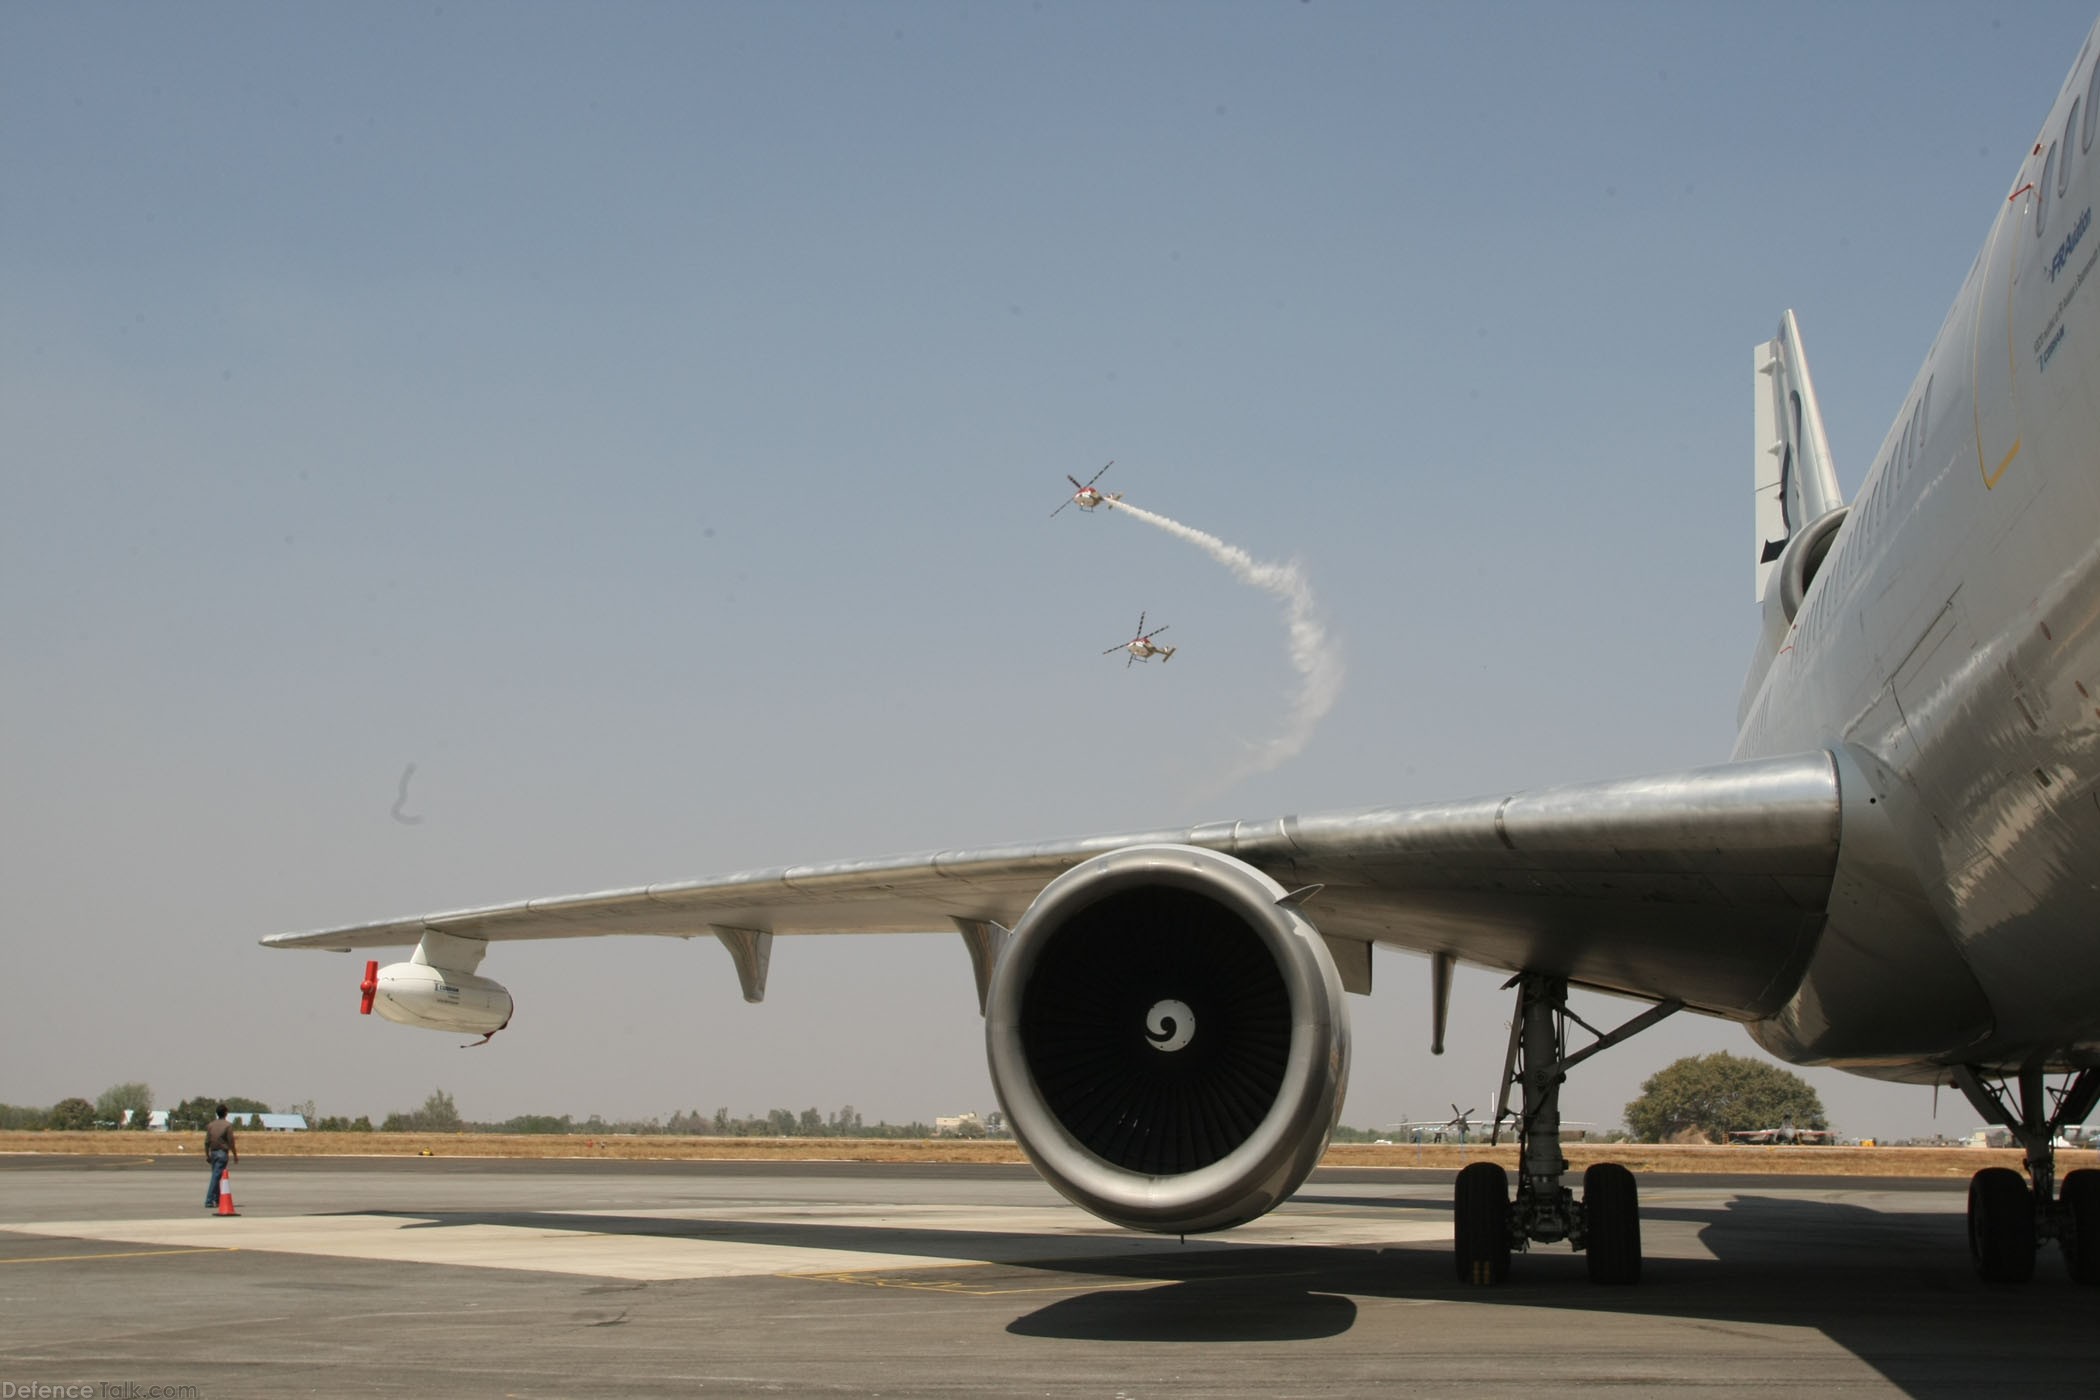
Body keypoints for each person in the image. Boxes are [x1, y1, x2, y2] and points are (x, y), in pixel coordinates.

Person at [204, 1105, 239, 1210]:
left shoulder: (211, 1125)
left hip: (213, 1152)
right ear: (225, 1113)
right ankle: (209, 1200)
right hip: (222, 1153)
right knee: (216, 1177)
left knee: (217, 1176)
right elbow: (231, 1142)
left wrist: (207, 1155)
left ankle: (217, 1199)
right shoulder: (228, 1126)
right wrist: (235, 1154)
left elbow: (206, 1142)